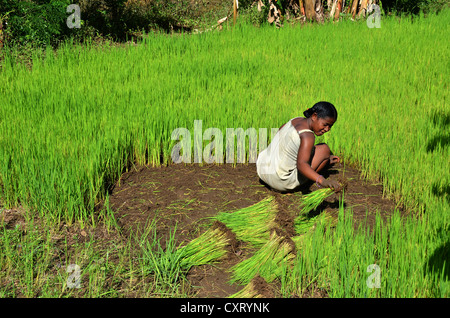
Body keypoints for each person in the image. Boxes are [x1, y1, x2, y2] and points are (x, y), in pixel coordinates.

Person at [256, 101, 341, 192]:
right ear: (314, 116)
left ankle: (325, 160)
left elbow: (281, 140)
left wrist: (327, 160)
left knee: (320, 154)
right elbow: (301, 164)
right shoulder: (308, 136)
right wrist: (322, 180)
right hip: (279, 182)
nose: (327, 129)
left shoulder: (295, 120)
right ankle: (304, 184)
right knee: (324, 149)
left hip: (262, 170)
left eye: (330, 126)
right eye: (325, 124)